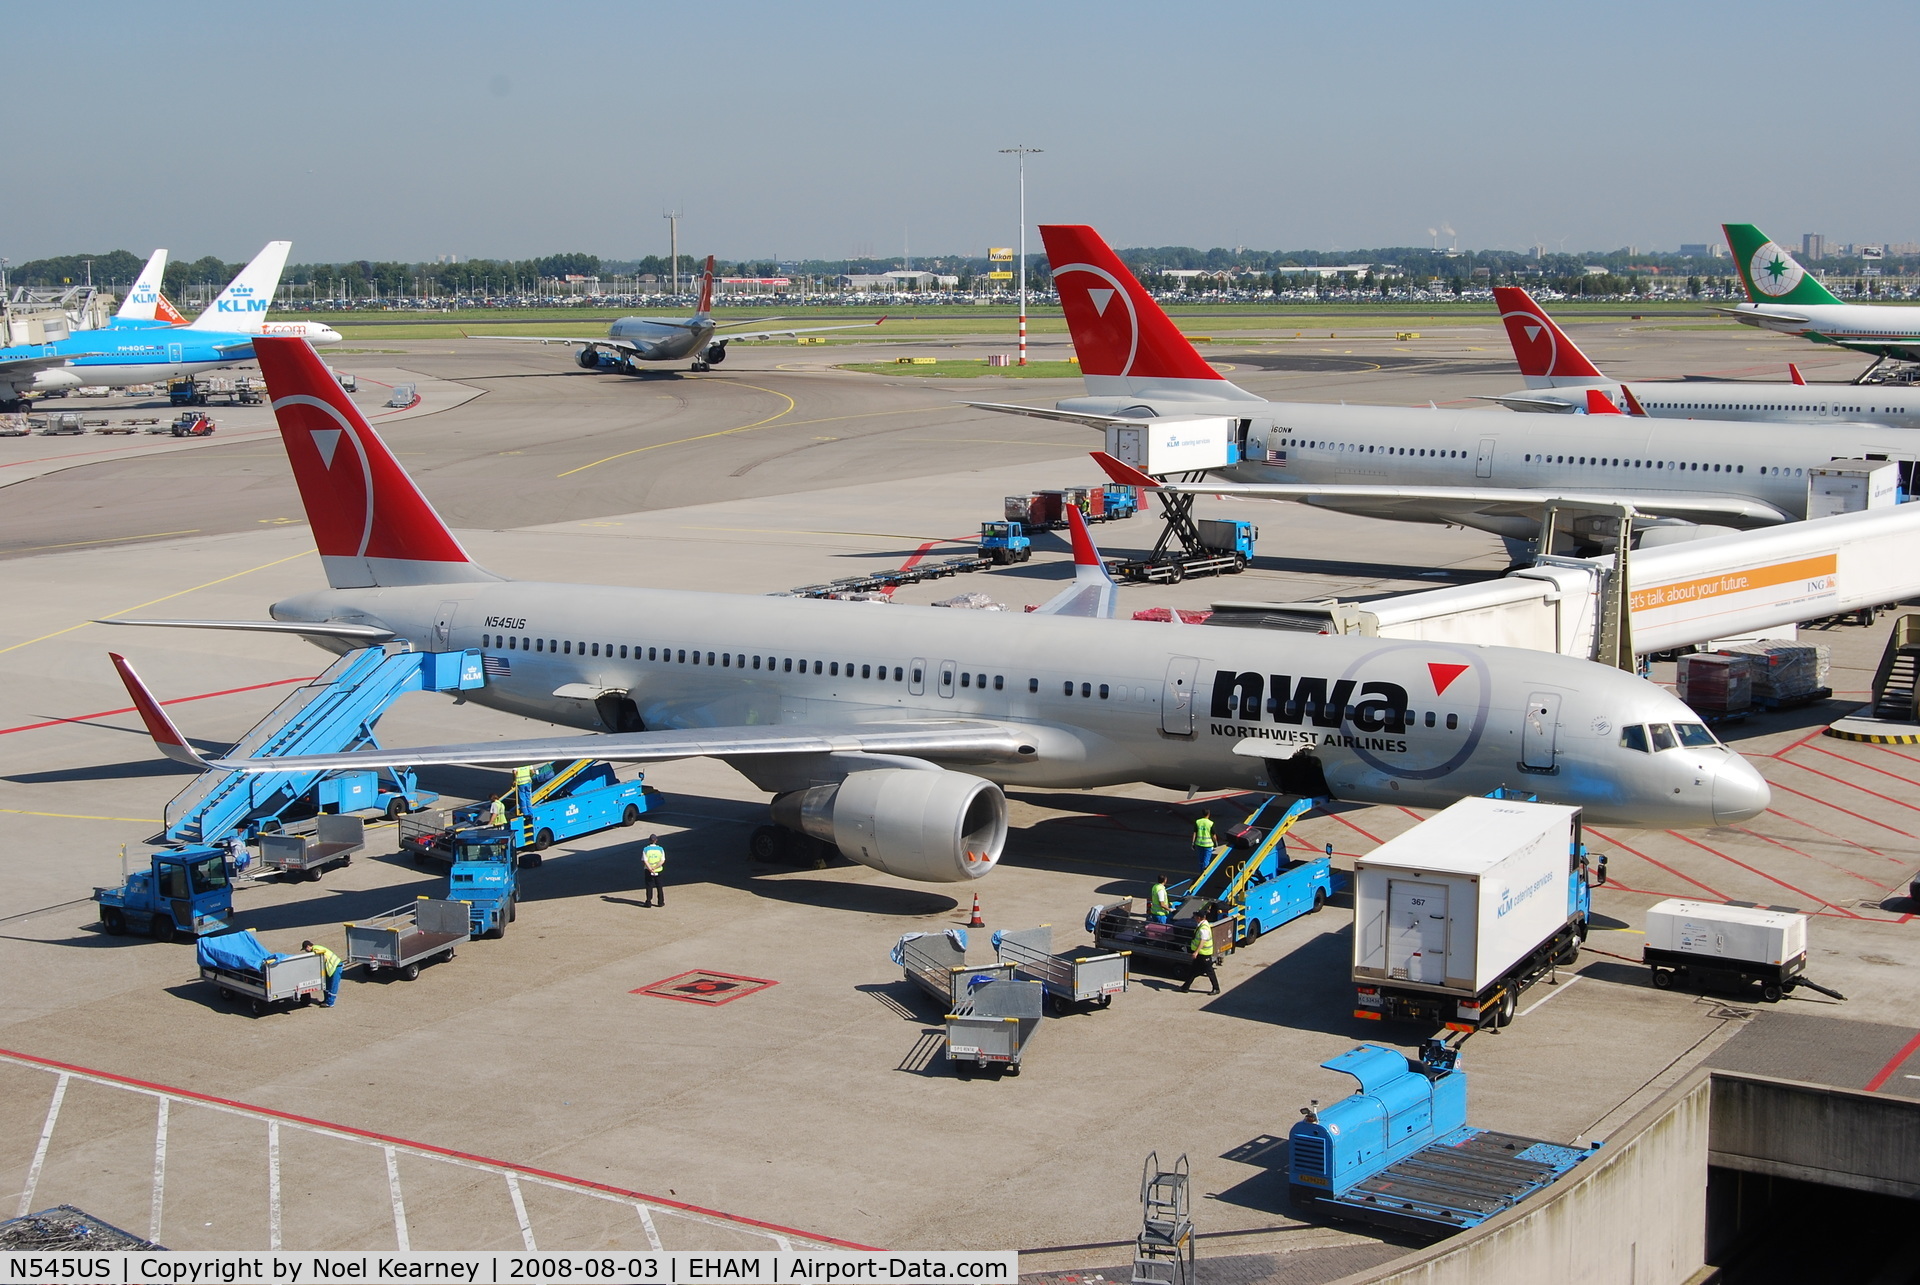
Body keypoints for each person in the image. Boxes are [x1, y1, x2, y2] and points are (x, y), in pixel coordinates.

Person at [1180, 919, 1220, 995]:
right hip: (1201, 954)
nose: (1194, 918)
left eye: (1195, 917)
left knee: (1209, 971)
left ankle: (1216, 988)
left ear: (1199, 918)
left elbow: (1203, 940)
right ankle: (1185, 987)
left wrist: (1196, 952)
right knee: (1193, 970)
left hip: (1204, 954)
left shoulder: (1203, 928)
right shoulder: (1202, 925)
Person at [304, 939, 344, 1007]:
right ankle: (326, 1000)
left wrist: (317, 953)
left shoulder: (316, 948)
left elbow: (323, 955)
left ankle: (330, 1003)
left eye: (305, 949)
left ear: (308, 946)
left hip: (336, 966)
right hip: (331, 968)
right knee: (327, 984)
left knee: (333, 985)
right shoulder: (316, 947)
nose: (306, 951)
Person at [640, 836, 667, 907]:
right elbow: (662, 860)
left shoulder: (646, 849)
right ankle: (660, 902)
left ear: (649, 840)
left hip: (648, 870)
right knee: (659, 886)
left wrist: (650, 869)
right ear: (656, 840)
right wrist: (655, 867)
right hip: (658, 870)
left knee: (649, 886)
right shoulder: (660, 849)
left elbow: (644, 860)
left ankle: (648, 902)